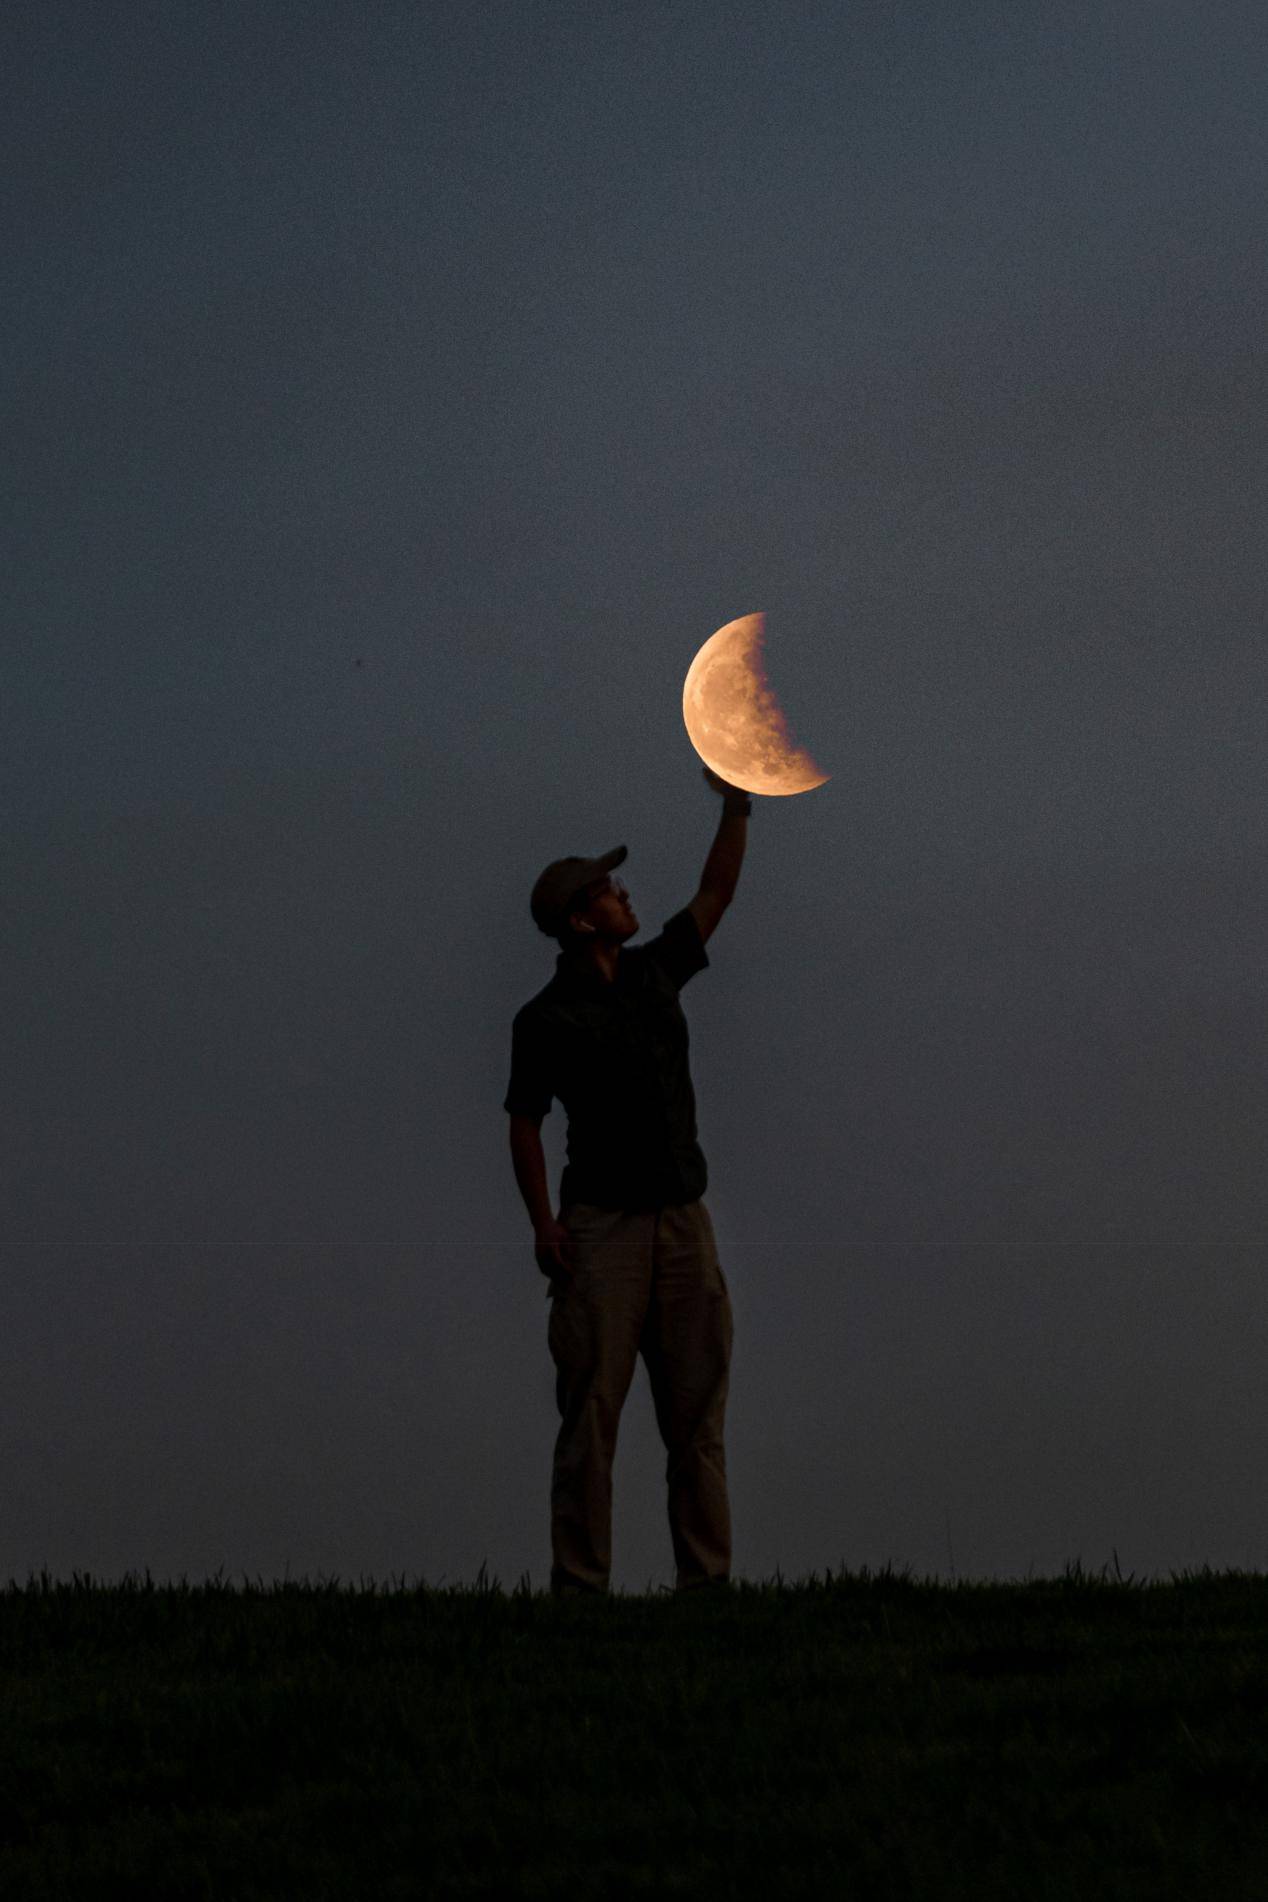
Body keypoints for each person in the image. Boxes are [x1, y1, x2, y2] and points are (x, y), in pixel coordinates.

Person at [504, 765, 751, 1596]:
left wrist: (739, 805)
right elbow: (524, 1122)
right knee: (591, 1418)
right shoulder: (543, 1020)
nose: (623, 895)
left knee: (696, 1418)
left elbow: (715, 892)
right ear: (581, 921)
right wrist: (545, 1225)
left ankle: (706, 1584)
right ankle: (580, 1588)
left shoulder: (654, 974)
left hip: (683, 1221)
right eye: (607, 891)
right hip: (602, 1228)